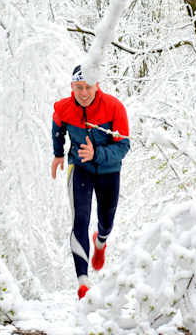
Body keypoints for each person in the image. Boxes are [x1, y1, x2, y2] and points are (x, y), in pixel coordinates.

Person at [51, 64, 130, 300]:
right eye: (78, 88)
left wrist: (97, 154)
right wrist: (57, 154)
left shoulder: (114, 107)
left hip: (109, 170)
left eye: (87, 87)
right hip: (80, 168)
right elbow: (57, 127)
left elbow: (124, 145)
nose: (83, 93)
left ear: (97, 86)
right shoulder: (64, 108)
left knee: (106, 220)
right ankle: (83, 282)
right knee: (80, 218)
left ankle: (101, 242)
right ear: (71, 87)